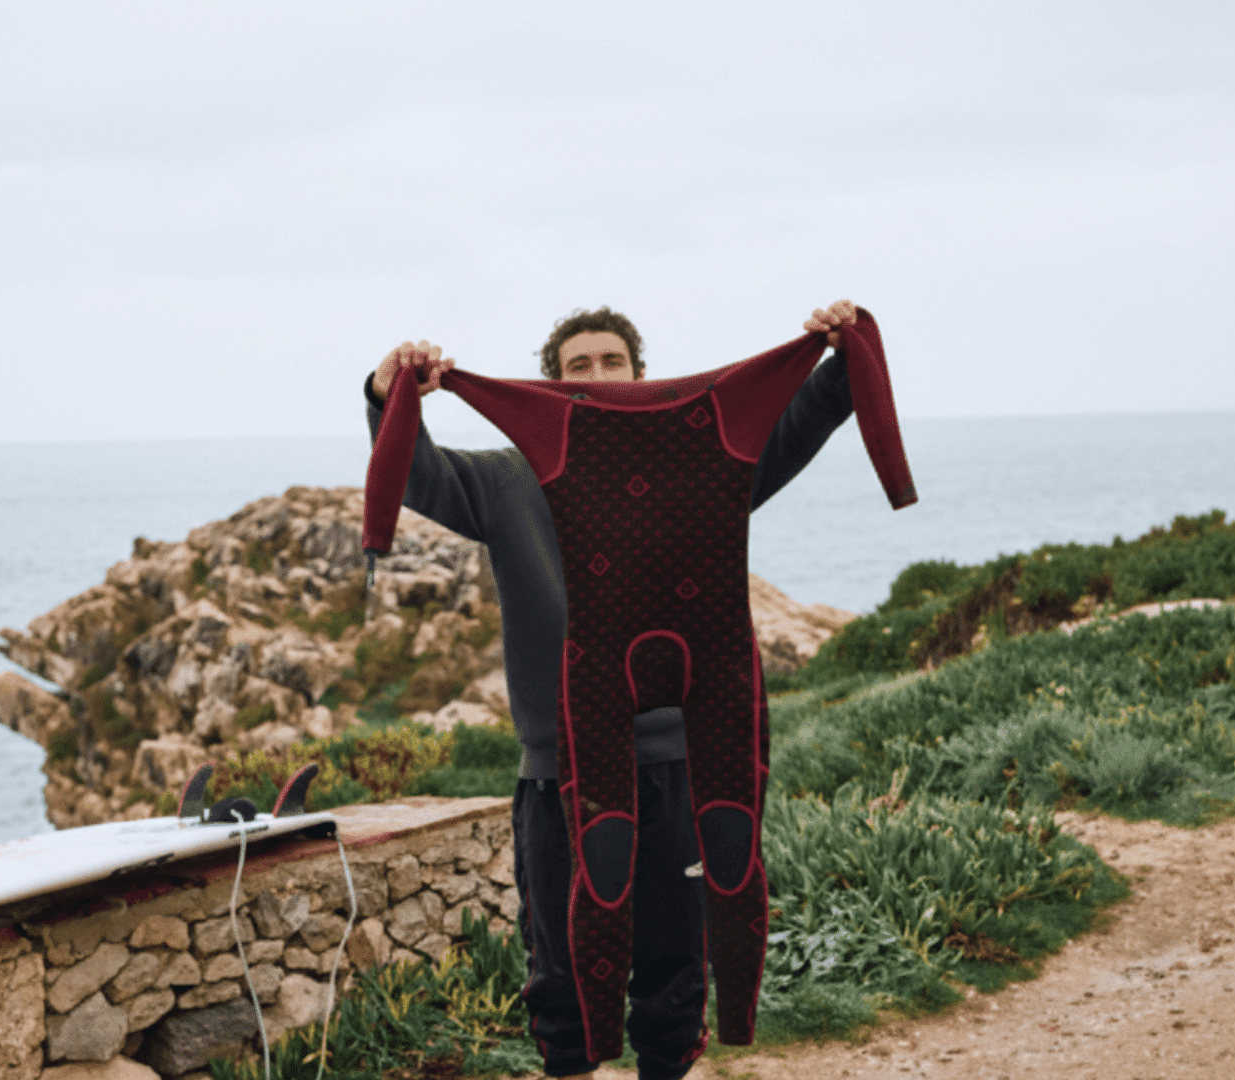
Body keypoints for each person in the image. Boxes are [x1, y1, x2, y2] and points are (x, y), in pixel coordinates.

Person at [362, 300, 863, 1080]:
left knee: (673, 970)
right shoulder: (505, 481)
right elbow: (418, 475)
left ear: (641, 376)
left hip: (676, 768)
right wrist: (386, 392)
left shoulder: (692, 464)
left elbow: (792, 429)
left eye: (612, 363)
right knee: (559, 974)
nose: (597, 376)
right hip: (559, 775)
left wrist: (838, 354)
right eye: (577, 367)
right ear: (549, 385)